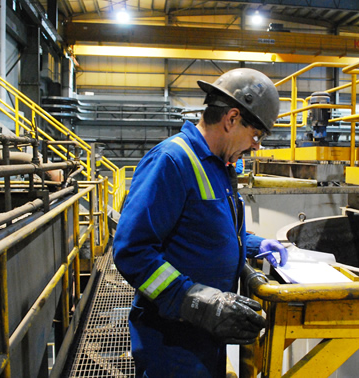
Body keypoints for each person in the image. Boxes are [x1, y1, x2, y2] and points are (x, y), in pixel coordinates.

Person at [113, 68, 288, 377]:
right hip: (172, 341)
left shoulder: (219, 167)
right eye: (256, 135)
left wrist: (255, 244)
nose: (256, 145)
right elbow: (132, 252)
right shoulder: (171, 161)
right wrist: (196, 302)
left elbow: (205, 231)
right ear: (232, 119)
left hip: (206, 335)